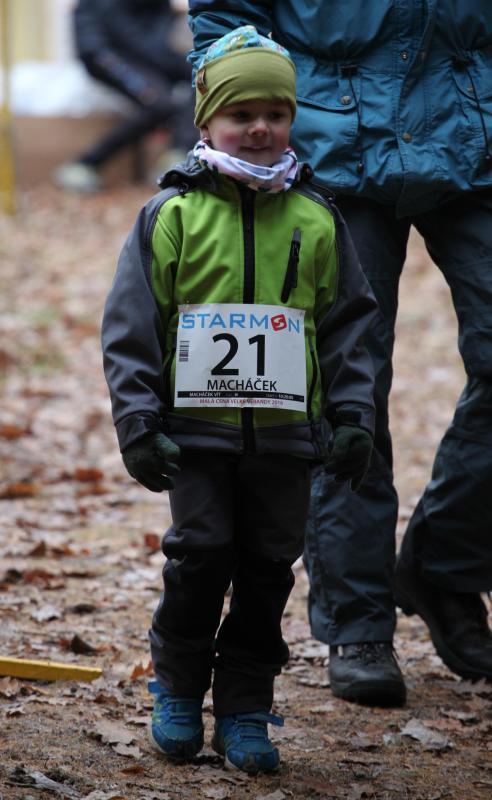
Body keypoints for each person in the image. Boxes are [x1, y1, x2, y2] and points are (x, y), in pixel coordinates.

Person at [188, 1, 492, 707]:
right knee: (347, 381)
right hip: (330, 141)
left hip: (475, 128)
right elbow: (225, 14)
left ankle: (445, 565)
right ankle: (357, 621)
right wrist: (243, 122)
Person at [102, 26, 377, 772]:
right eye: (241, 113)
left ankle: (247, 707)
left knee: (267, 568)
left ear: (292, 119)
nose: (260, 128)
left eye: (276, 114)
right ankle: (178, 688)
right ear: (206, 121)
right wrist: (138, 422)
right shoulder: (173, 215)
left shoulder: (317, 218)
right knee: (199, 557)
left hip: (286, 439)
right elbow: (132, 326)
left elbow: (349, 327)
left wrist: (353, 416)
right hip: (194, 435)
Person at [54, 0, 196, 193]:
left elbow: (155, 39)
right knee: (158, 102)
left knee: (198, 75)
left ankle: (178, 152)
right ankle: (84, 165)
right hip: (102, 49)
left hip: (141, 49)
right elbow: (129, 36)